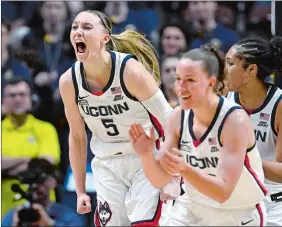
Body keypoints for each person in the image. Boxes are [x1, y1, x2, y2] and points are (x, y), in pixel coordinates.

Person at [59, 10, 176, 226]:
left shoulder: (130, 71)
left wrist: (174, 177)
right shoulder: (69, 81)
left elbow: (170, 122)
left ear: (105, 38)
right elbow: (76, 138)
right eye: (75, 27)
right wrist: (81, 190)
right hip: (106, 163)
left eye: (86, 27)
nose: (78, 32)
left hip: (146, 158)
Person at [129, 45, 267, 226]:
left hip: (238, 212)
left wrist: (185, 169)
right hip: (192, 208)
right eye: (178, 79)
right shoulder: (177, 117)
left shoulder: (234, 121)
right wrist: (146, 155)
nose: (180, 87)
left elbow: (223, 192)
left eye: (190, 80)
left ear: (210, 82)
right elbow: (160, 179)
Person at [226, 36, 282, 226]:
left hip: (274, 202)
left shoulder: (279, 105)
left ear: (251, 69)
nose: (224, 70)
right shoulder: (226, 99)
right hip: (238, 196)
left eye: (230, 63)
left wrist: (246, 159)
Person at [2, 77, 60, 216]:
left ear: (31, 98)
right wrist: (30, 160)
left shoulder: (45, 129)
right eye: (12, 95)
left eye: (22, 94)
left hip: (42, 207)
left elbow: (46, 164)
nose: (18, 99)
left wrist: (6, 169)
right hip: (3, 208)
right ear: (3, 100)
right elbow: (37, 163)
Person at [2, 158, 86, 226]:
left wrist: (50, 223)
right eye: (31, 179)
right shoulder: (15, 215)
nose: (35, 185)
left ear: (53, 182)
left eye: (40, 180)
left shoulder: (66, 215)